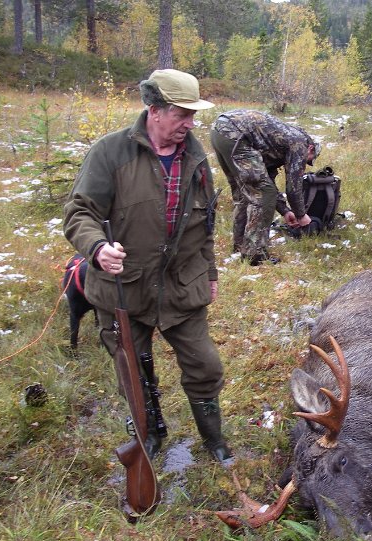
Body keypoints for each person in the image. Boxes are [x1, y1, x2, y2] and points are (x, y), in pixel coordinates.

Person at [63, 69, 231, 462]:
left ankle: (214, 439)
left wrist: (209, 273)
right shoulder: (110, 153)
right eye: (181, 114)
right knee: (134, 375)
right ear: (154, 110)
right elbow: (79, 212)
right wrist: (97, 248)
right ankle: (150, 434)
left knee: (205, 366)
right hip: (123, 289)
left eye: (193, 115)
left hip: (181, 285)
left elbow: (204, 226)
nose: (190, 124)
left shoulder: (196, 159)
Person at [210, 109, 321, 265]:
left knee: (245, 193)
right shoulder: (300, 144)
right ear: (311, 149)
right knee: (263, 193)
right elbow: (293, 188)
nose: (304, 163)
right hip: (236, 134)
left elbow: (267, 180)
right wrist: (301, 215)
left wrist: (285, 211)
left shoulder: (281, 141)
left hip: (220, 130)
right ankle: (254, 255)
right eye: (308, 160)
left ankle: (240, 246)